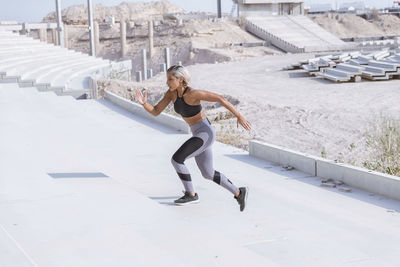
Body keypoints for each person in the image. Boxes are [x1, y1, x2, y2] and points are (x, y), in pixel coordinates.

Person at [135, 65, 251, 211]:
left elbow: (220, 98)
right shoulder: (171, 94)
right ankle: (239, 192)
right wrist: (144, 104)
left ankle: (191, 194)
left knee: (177, 159)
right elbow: (156, 111)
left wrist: (239, 116)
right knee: (208, 173)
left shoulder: (193, 94)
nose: (167, 82)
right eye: (167, 79)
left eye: (170, 79)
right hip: (197, 134)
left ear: (180, 79)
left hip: (205, 133)